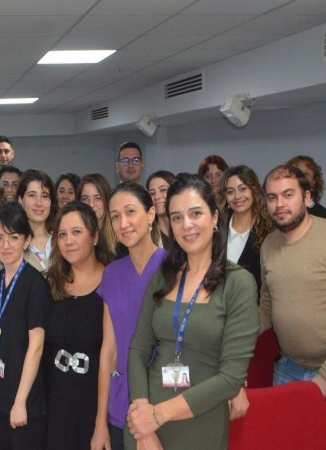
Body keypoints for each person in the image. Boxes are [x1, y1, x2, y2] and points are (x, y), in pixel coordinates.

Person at [126, 173, 259, 450]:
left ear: (214, 217)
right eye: (176, 217)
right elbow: (138, 349)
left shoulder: (238, 283)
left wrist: (157, 415)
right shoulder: (163, 277)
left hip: (200, 419)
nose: (186, 225)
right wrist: (141, 417)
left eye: (195, 213)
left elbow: (231, 378)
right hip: (146, 420)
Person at [94, 183, 166, 450]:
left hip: (164, 401)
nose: (123, 223)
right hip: (120, 403)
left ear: (151, 214)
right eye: (115, 216)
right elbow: (109, 350)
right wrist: (100, 422)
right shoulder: (112, 273)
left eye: (130, 212)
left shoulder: (175, 268)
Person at [0, 202, 52, 450]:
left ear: (27, 240)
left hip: (25, 398)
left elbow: (36, 347)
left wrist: (20, 402)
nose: (5, 245)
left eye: (13, 237)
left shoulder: (35, 285)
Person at [44, 201, 108, 449]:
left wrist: (101, 423)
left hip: (95, 406)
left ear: (95, 236)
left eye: (76, 232)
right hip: (54, 406)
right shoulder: (51, 282)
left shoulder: (112, 280)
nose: (68, 241)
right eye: (62, 234)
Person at [260, 165, 326, 396]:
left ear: (307, 197)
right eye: (272, 197)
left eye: (288, 194)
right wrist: (234, 334)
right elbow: (266, 306)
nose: (279, 204)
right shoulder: (268, 244)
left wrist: (323, 377)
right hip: (288, 368)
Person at [218, 166, 273, 290]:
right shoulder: (216, 228)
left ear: (254, 190)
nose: (237, 196)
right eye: (230, 192)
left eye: (243, 189)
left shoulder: (268, 231)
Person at [16, 169, 57, 276]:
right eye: (32, 195)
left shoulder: (62, 240)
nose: (39, 203)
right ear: (20, 200)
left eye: (44, 196)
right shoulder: (12, 244)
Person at [77, 173, 120, 261]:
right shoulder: (74, 237)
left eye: (98, 197)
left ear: (107, 200)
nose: (91, 204)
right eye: (85, 198)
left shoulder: (120, 236)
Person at [147, 170, 176, 249]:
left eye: (163, 190)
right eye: (152, 193)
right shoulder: (147, 236)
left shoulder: (186, 228)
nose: (157, 197)